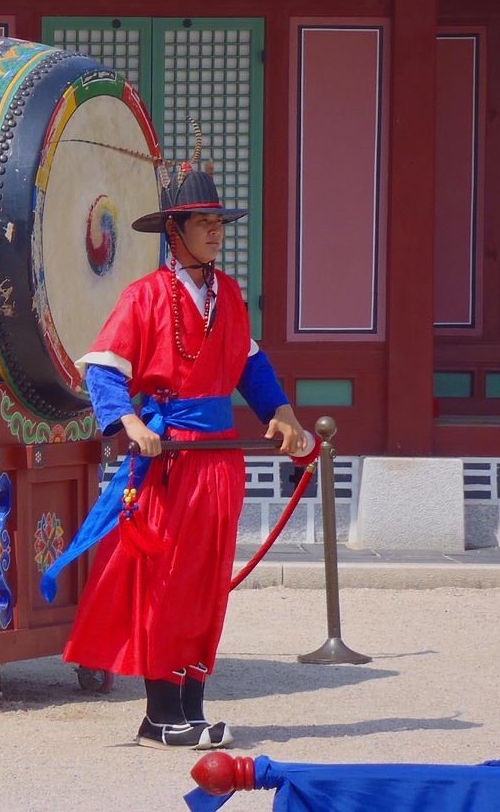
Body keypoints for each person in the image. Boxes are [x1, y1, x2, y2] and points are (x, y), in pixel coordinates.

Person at [40, 141, 314, 751]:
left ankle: (191, 705)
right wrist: (128, 424)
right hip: (171, 461)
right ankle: (162, 712)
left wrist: (284, 414)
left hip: (219, 458)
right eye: (204, 223)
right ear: (175, 231)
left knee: (207, 582)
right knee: (166, 582)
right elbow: (104, 370)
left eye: (220, 222)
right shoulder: (143, 297)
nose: (216, 232)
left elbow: (252, 366)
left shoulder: (231, 295)